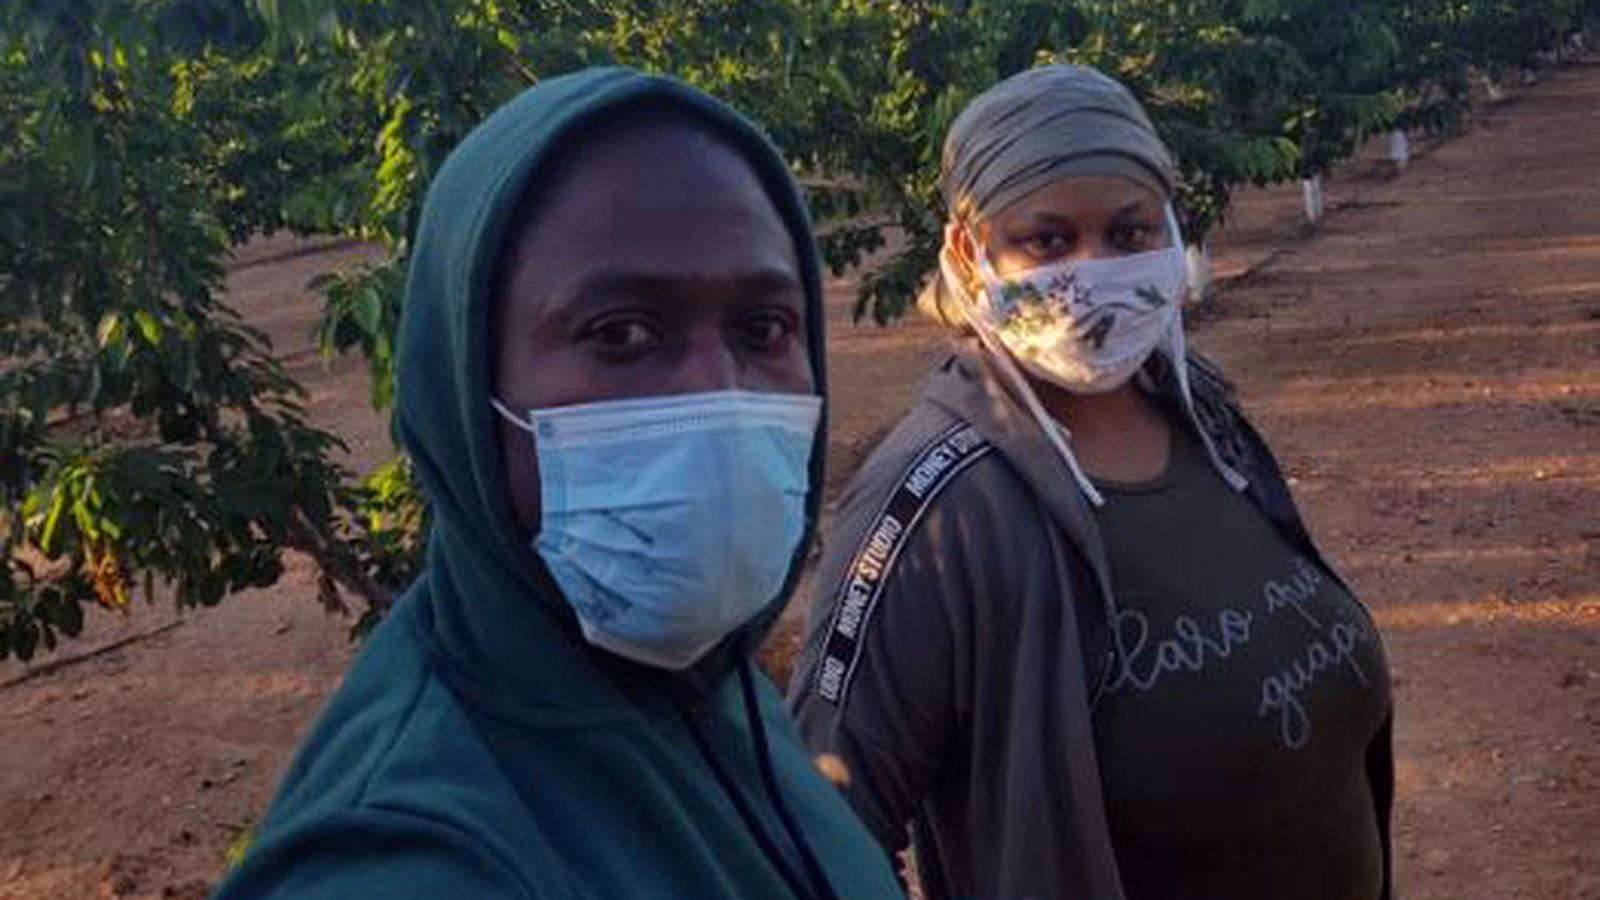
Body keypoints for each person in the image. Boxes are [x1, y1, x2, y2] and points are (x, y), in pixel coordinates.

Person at [213, 68, 904, 900]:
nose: (715, 395)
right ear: (467, 389)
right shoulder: (409, 860)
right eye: (621, 332)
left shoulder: (703, 687)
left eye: (763, 328)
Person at [789, 65, 1395, 900]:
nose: (1093, 269)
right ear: (971, 253)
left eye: (1128, 231)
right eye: (1047, 240)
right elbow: (824, 827)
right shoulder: (936, 506)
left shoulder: (1201, 415)